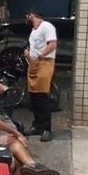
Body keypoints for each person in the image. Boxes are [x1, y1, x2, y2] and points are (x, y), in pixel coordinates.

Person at [23, 10, 57, 142]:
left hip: (44, 63)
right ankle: (37, 125)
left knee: (42, 96)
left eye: (28, 16)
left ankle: (47, 129)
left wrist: (41, 55)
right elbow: (33, 46)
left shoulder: (46, 26)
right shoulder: (33, 30)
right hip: (33, 63)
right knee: (34, 96)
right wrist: (28, 53)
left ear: (33, 15)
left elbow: (52, 44)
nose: (27, 19)